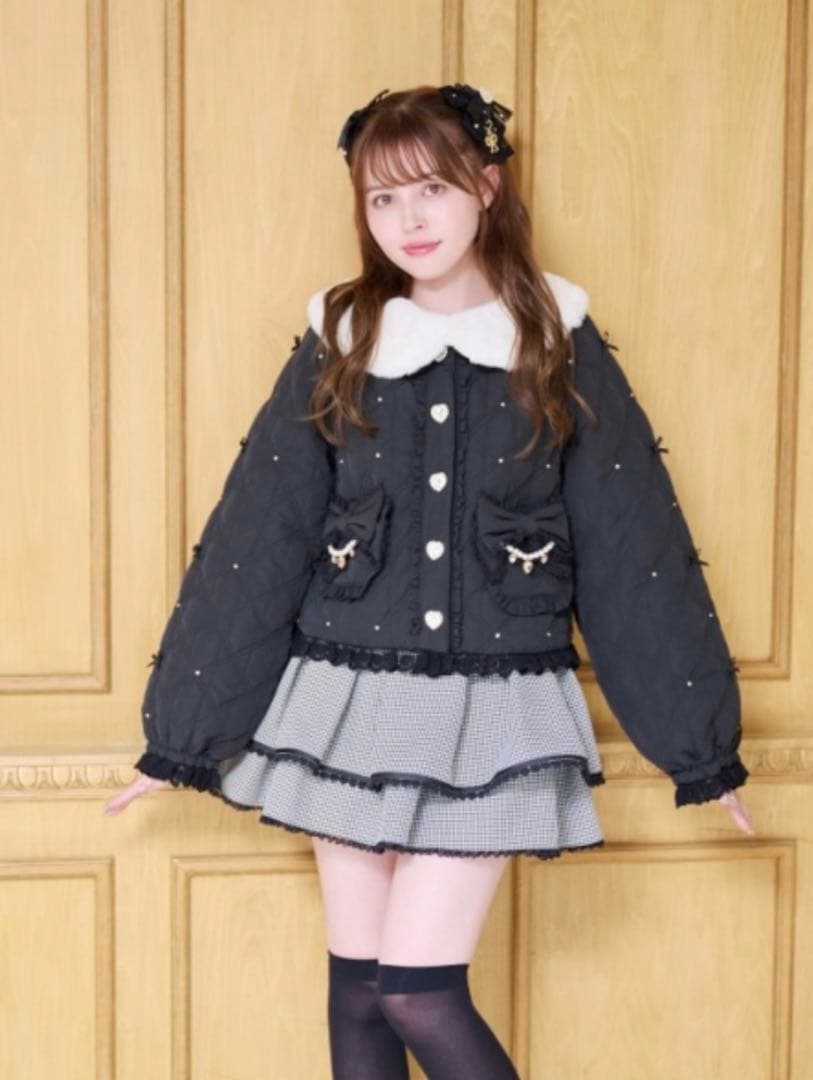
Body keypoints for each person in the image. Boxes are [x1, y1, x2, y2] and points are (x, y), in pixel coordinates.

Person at [105, 83, 755, 1079]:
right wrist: (181, 732)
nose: (407, 220)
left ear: (486, 187)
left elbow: (633, 544)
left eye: (432, 190)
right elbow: (261, 530)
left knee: (416, 991)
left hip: (496, 706)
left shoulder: (557, 342)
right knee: (361, 994)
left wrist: (699, 744)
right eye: (382, 198)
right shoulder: (344, 339)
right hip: (345, 700)